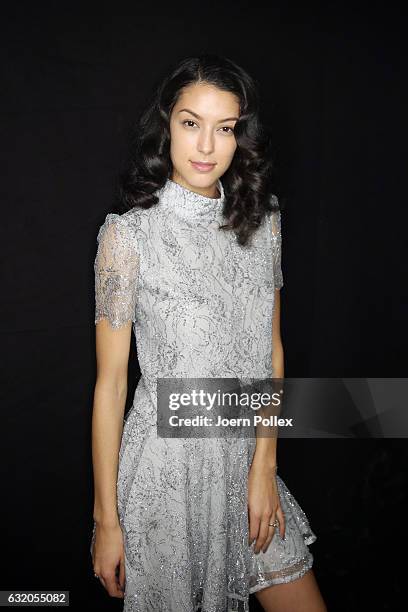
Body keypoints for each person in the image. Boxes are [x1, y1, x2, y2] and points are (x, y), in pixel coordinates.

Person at [90, 54, 327, 612]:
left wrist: (265, 466)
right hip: (165, 474)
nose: (205, 147)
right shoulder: (129, 238)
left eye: (225, 129)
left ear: (240, 137)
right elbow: (111, 387)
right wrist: (106, 520)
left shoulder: (263, 225)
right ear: (165, 125)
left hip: (247, 460)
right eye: (190, 123)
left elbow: (270, 352)